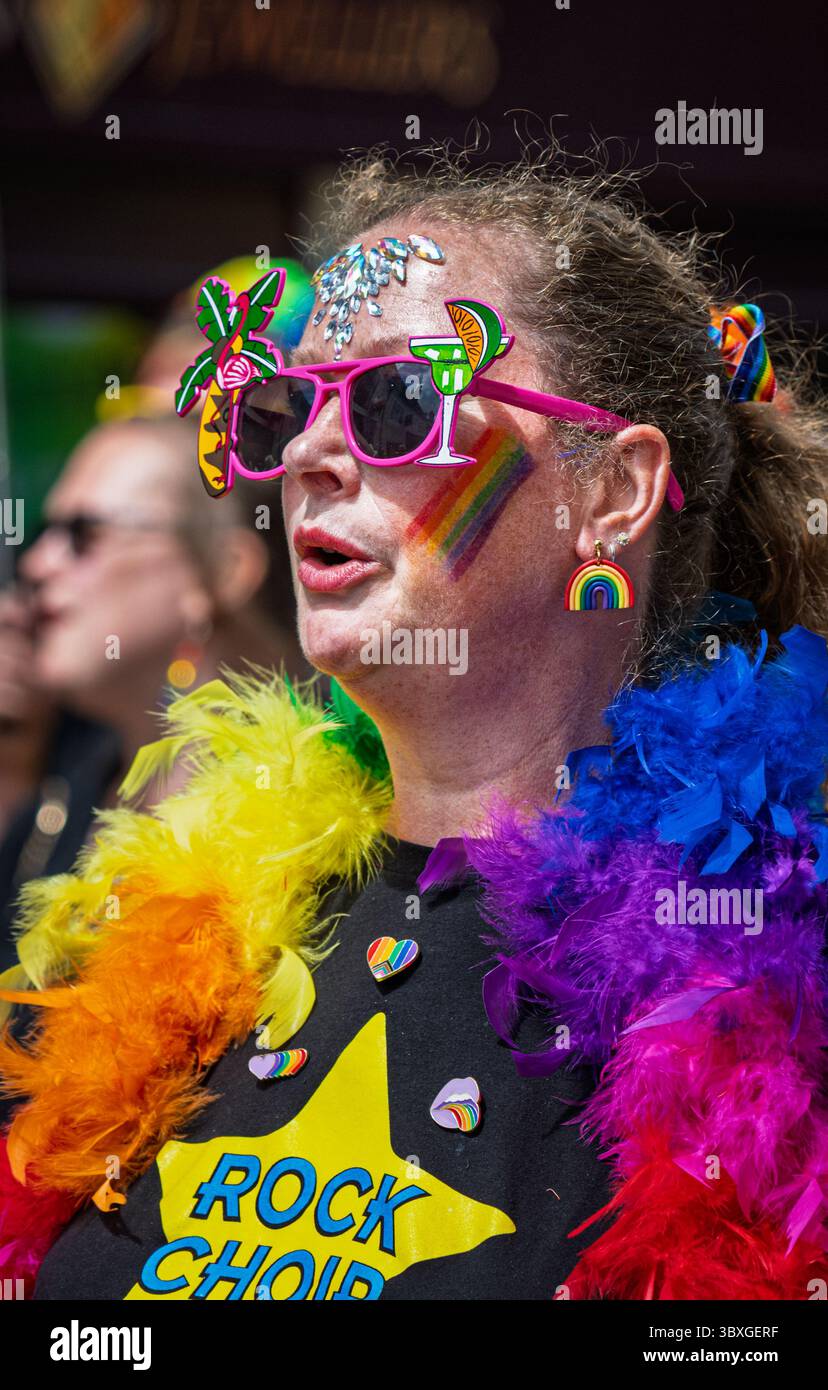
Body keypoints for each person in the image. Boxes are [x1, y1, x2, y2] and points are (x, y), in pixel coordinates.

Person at [1, 142, 827, 1302]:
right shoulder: (194, 914)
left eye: (397, 400)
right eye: (287, 404)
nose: (303, 453)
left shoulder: (766, 977)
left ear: (611, 492)